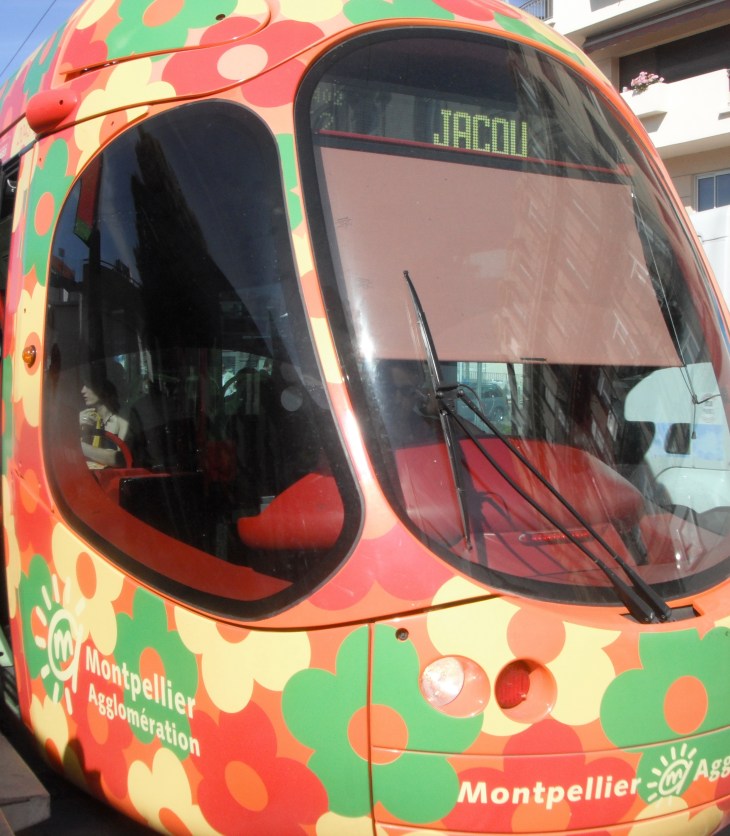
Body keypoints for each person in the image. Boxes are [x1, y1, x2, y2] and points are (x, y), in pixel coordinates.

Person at [79, 375, 130, 468]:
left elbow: (122, 459)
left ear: (103, 389)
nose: (82, 390)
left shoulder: (122, 420)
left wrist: (80, 447)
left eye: (88, 386)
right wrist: (76, 426)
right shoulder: (84, 417)